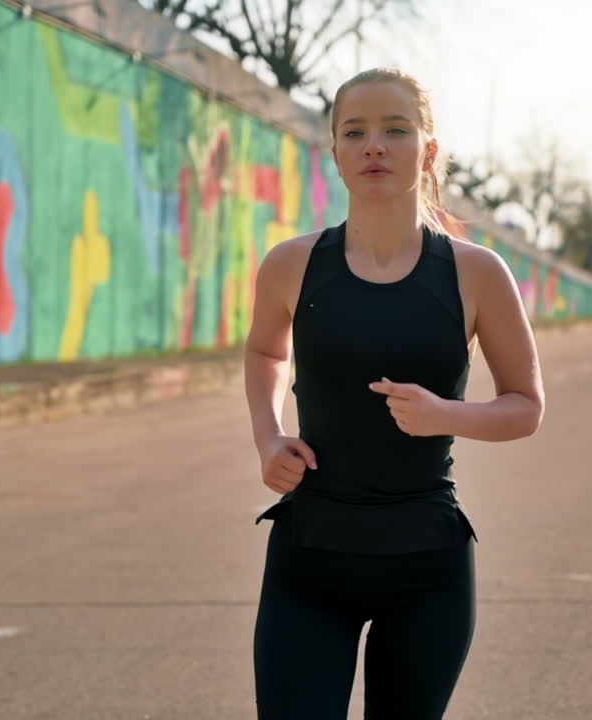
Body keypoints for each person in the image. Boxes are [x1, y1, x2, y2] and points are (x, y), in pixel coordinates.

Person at [244, 67, 545, 720]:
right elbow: (265, 351)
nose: (374, 145)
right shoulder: (292, 264)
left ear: (428, 151)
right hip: (310, 557)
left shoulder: (476, 273)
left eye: (395, 130)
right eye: (355, 132)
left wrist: (446, 415)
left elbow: (525, 405)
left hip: (426, 566)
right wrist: (268, 436)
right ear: (335, 152)